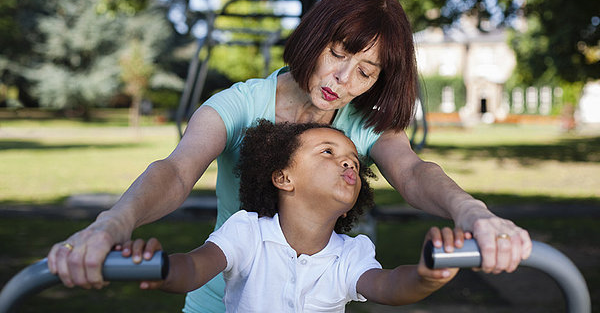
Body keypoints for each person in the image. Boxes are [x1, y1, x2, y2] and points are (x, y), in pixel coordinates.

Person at [48, 0, 531, 312]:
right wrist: (112, 224)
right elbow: (176, 173)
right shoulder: (239, 104)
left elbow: (412, 173)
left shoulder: (361, 122)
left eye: (365, 72)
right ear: (316, 37)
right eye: (338, 53)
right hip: (220, 299)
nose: (343, 80)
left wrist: (473, 214)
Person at [126, 120, 460, 311]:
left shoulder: (348, 255)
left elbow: (388, 286)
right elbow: (196, 267)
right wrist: (164, 269)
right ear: (283, 178)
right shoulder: (247, 233)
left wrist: (424, 278)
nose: (348, 163)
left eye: (354, 162)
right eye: (328, 152)